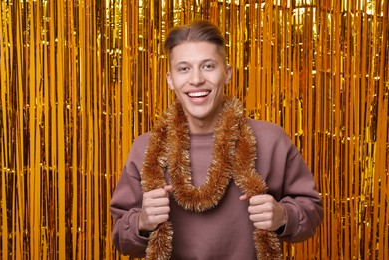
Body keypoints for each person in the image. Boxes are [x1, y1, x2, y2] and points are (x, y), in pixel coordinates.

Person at [110, 20, 323, 260]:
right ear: (170, 80)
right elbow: (120, 237)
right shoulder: (145, 149)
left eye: (208, 66)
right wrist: (142, 221)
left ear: (227, 73)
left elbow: (312, 209)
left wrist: (283, 216)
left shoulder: (271, 140)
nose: (197, 79)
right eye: (184, 69)